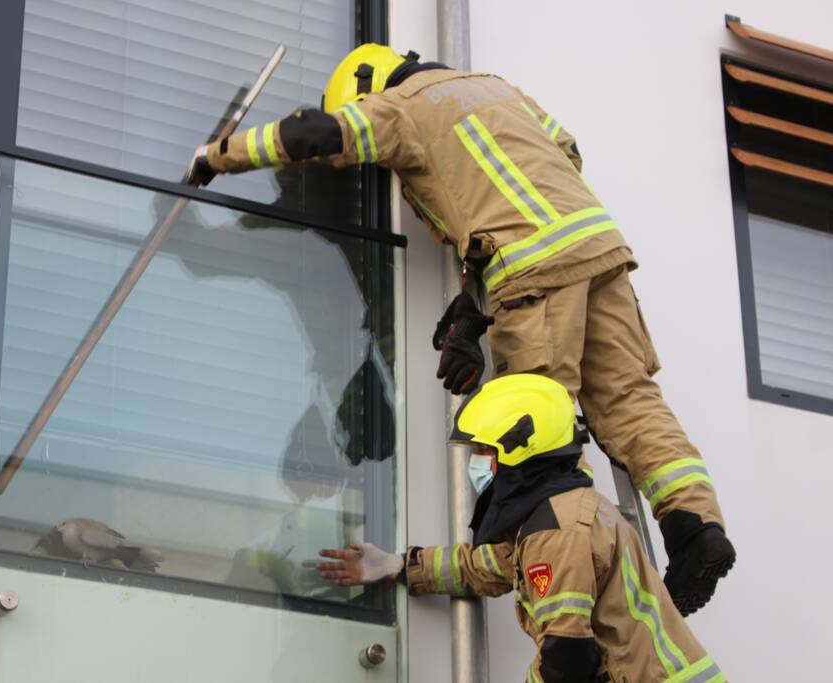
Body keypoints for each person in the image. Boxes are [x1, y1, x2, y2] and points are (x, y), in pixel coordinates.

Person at [183, 44, 733, 614]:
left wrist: (215, 157)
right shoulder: (498, 87)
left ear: (364, 90)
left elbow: (312, 136)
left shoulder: (399, 108)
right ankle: (696, 528)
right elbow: (566, 151)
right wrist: (474, 293)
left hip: (533, 273)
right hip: (600, 249)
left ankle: (582, 587)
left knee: (538, 442)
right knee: (629, 399)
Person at [315, 374, 726, 683]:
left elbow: (567, 656)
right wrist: (397, 565)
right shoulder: (552, 515)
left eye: (483, 452)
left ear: (516, 453)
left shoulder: (556, 530)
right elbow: (484, 567)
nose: (477, 463)